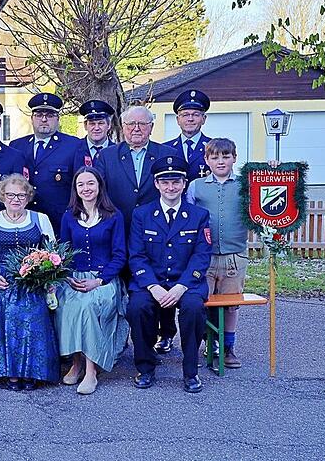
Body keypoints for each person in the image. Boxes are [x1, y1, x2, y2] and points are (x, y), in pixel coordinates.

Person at [95, 105, 180, 355]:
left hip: (158, 234)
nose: (136, 129)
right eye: (131, 124)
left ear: (151, 127)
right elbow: (101, 194)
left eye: (142, 124)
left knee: (159, 281)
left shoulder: (167, 153)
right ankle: (122, 338)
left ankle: (165, 334)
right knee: (125, 288)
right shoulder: (108, 156)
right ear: (122, 127)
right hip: (120, 231)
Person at [127, 156, 212, 393]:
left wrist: (181, 286)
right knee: (138, 307)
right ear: (156, 184)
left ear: (184, 183)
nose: (170, 187)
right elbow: (136, 255)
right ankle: (145, 368)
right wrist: (153, 286)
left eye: (176, 182)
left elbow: (201, 256)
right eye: (165, 182)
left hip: (186, 283)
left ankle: (190, 371)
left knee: (193, 308)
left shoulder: (198, 215)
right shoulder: (142, 215)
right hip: (151, 282)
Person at [0, 174, 59, 390]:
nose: (16, 199)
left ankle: (34, 371)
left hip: (33, 278)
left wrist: (45, 275)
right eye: (11, 194)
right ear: (2, 196)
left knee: (34, 308)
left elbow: (53, 252)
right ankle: (9, 371)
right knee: (7, 308)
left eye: (21, 195)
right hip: (2, 277)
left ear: (28, 197)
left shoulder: (40, 218)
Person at [56, 167, 128, 395]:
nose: (86, 189)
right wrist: (67, 277)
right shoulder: (69, 216)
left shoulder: (114, 216)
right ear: (75, 189)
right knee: (68, 305)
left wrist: (98, 281)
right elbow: (63, 251)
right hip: (74, 278)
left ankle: (90, 371)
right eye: (81, 185)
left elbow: (119, 256)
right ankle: (76, 362)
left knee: (88, 307)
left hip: (103, 279)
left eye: (90, 184)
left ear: (99, 187)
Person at [185, 138, 248, 368]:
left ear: (234, 158)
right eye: (215, 157)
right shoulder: (196, 186)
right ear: (207, 160)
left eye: (225, 156)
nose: (220, 161)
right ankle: (209, 344)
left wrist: (272, 167)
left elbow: (267, 191)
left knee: (231, 304)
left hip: (235, 255)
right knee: (203, 301)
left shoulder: (245, 185)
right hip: (205, 257)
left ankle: (228, 348)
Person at [11, 92, 81, 235]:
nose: (44, 119)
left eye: (49, 115)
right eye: (39, 115)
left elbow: (80, 185)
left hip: (60, 221)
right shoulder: (17, 146)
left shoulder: (74, 146)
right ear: (31, 118)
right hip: (25, 221)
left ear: (58, 119)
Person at [165, 89, 212, 182]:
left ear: (204, 119)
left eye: (195, 115)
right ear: (178, 120)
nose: (190, 119)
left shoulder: (214, 147)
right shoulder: (165, 149)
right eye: (185, 115)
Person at [73, 100, 116, 170]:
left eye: (101, 123)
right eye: (92, 124)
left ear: (109, 125)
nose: (96, 128)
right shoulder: (73, 150)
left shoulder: (117, 152)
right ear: (85, 126)